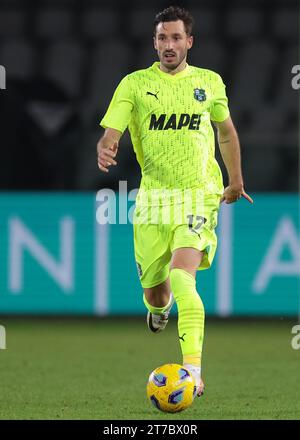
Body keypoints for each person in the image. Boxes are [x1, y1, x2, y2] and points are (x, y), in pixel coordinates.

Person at [97, 6, 253, 399]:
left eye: (176, 37)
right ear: (154, 42)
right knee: (156, 291)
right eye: (162, 38)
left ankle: (193, 372)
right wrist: (107, 144)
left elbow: (227, 133)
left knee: (184, 276)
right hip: (153, 201)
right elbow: (112, 130)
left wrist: (234, 181)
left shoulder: (209, 82)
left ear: (189, 41)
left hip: (198, 195)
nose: (169, 45)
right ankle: (158, 311)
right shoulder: (133, 84)